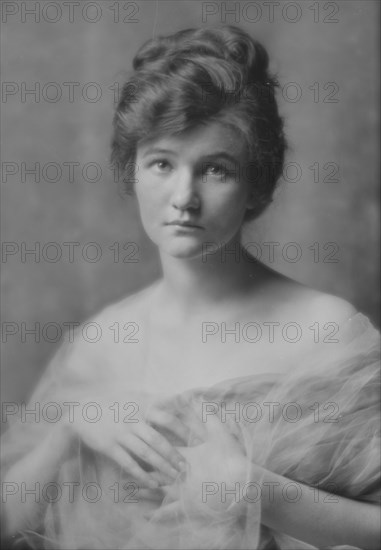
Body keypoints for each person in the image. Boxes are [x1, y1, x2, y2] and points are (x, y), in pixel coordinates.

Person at [1, 25, 380, 550]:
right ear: (131, 172)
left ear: (257, 185)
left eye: (215, 170)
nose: (184, 196)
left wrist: (254, 490)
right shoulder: (101, 341)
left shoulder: (326, 332)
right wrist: (72, 425)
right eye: (161, 164)